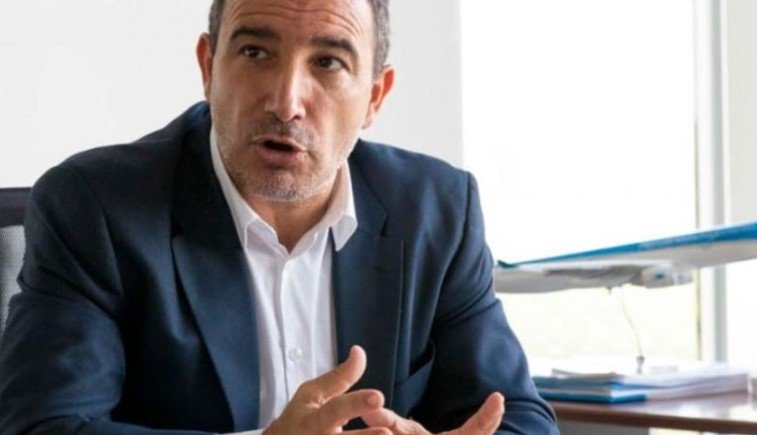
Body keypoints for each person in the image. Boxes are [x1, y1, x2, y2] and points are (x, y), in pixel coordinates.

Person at [0, 0, 558, 434]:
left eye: (328, 62)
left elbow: (516, 418)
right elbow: (45, 427)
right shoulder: (95, 206)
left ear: (375, 96)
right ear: (207, 66)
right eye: (255, 52)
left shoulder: (436, 209)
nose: (286, 101)